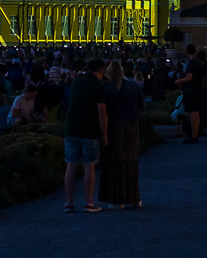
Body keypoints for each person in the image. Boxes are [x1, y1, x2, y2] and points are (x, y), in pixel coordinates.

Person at [62, 59, 108, 213]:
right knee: (90, 165)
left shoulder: (76, 83)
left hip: (72, 128)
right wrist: (105, 134)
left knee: (71, 165)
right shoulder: (98, 86)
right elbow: (102, 112)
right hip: (89, 130)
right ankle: (88, 202)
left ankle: (69, 202)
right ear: (101, 70)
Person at [100, 61, 145, 210]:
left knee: (115, 163)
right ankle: (134, 197)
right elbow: (141, 107)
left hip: (115, 128)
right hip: (131, 127)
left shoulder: (108, 88)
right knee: (131, 162)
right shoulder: (133, 86)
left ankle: (117, 199)